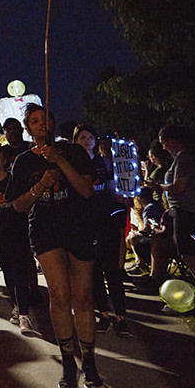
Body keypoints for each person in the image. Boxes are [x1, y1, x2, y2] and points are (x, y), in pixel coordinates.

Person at [7, 104, 99, 388]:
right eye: (34, 121)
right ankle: (68, 363)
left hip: (79, 228)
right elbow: (18, 205)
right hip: (46, 232)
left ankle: (91, 362)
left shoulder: (73, 152)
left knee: (82, 298)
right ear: (28, 128)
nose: (40, 124)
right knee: (60, 296)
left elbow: (86, 190)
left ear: (54, 123)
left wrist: (59, 160)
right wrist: (40, 186)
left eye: (45, 119)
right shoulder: (22, 161)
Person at [74, 127, 131, 337]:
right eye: (82, 137)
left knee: (113, 271)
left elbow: (114, 187)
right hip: (86, 224)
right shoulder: (72, 164)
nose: (87, 141)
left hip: (106, 221)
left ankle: (122, 317)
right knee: (94, 273)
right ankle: (104, 315)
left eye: (90, 137)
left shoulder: (104, 162)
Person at [0, 143, 36, 334]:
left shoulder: (14, 179)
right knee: (8, 272)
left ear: (5, 159)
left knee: (19, 271)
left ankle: (24, 314)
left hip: (18, 233)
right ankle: (17, 304)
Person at [152, 125, 195, 286]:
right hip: (194, 210)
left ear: (172, 141)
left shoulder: (184, 157)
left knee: (187, 252)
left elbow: (178, 187)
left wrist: (158, 186)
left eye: (164, 143)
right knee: (191, 249)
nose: (163, 147)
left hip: (187, 211)